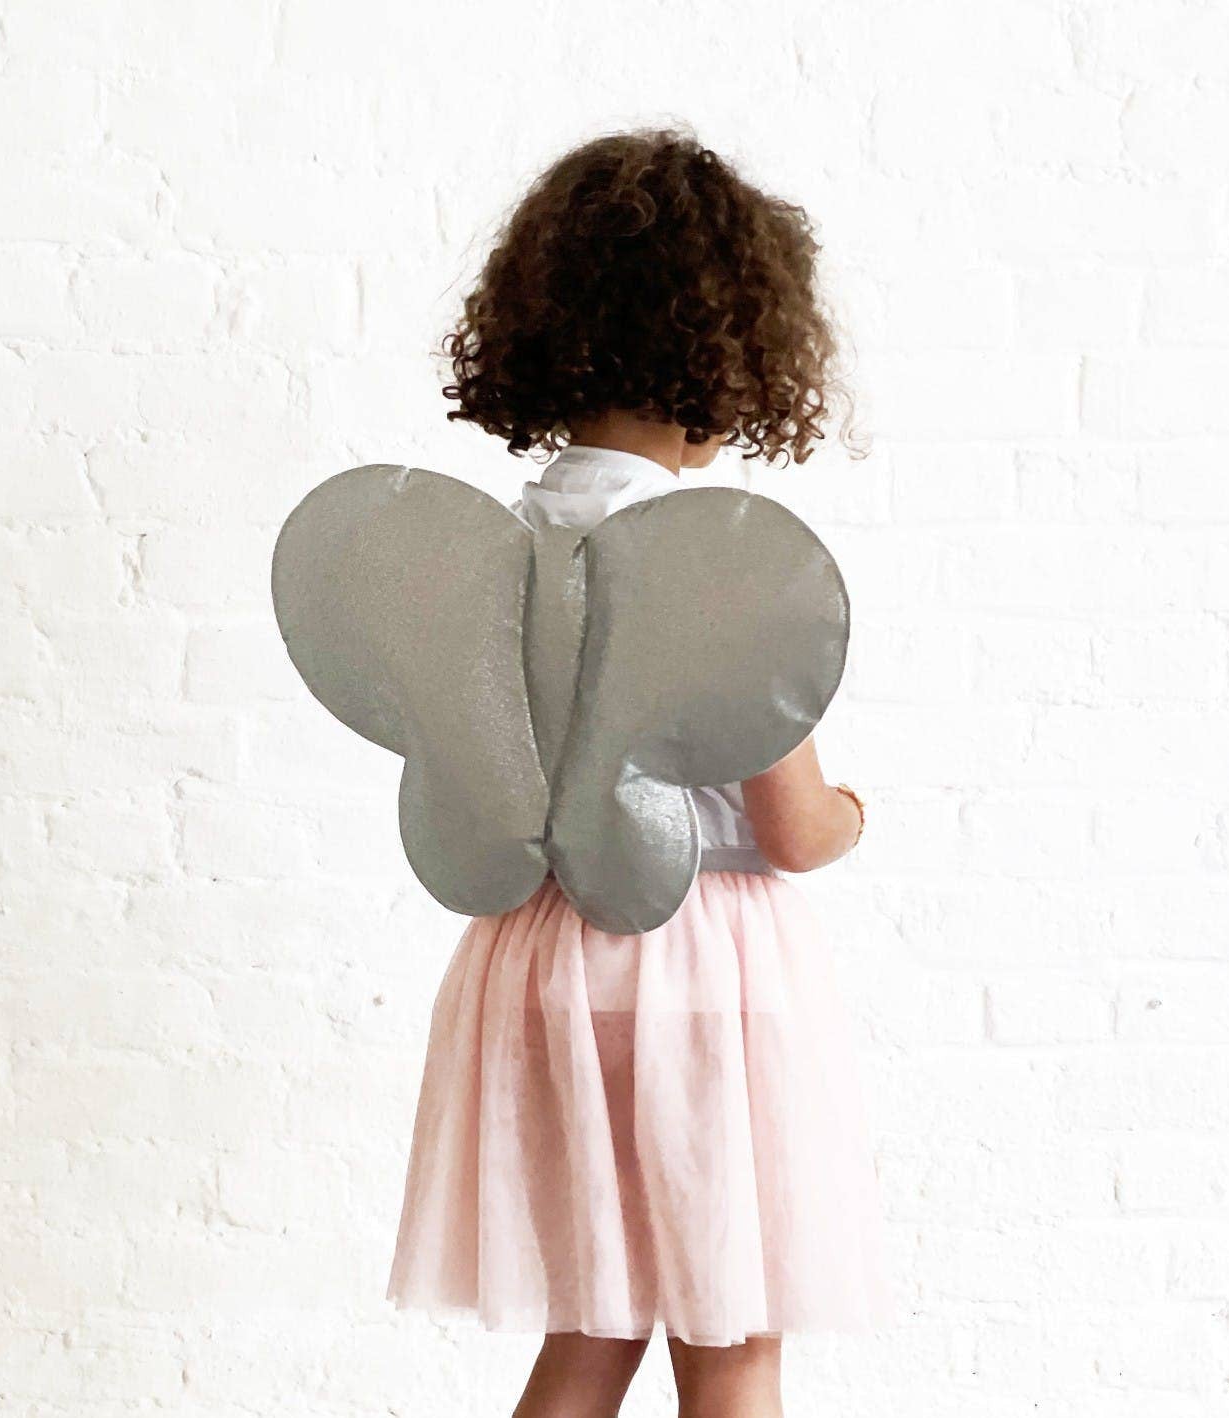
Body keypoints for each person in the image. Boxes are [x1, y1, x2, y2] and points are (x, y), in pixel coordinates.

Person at [384, 126, 893, 1418]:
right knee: (733, 1343)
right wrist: (854, 814)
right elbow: (791, 827)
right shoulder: (719, 553)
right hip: (701, 966)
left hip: (541, 960)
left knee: (592, 1331)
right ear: (730, 346)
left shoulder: (497, 545)